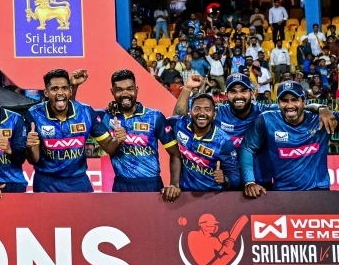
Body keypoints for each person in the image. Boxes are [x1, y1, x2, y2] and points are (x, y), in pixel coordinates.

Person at [176, 72, 335, 190]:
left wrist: (322, 108)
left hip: (259, 183)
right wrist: (188, 88)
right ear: (227, 95)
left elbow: (294, 107)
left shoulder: (265, 113)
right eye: (233, 91)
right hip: (225, 181)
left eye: (243, 91)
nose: (239, 96)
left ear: (251, 93)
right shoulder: (218, 114)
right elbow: (180, 118)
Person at [241, 81, 338, 195]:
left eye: (295, 99)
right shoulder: (266, 120)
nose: (290, 105)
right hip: (282, 193)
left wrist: (323, 108)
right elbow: (247, 148)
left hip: (318, 192)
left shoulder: (321, 119)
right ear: (278, 103)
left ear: (304, 101)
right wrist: (249, 182)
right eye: (284, 100)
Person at [26, 69, 114, 192]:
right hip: (46, 181)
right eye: (54, 89)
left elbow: (109, 147)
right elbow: (33, 159)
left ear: (70, 90)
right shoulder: (35, 114)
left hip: (78, 180)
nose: (60, 92)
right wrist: (30, 147)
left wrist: (119, 139)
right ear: (46, 92)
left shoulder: (86, 112)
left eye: (64, 88)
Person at [102, 69, 182, 197]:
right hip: (121, 185)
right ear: (112, 92)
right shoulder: (106, 116)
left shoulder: (155, 117)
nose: (125, 93)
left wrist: (174, 184)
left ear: (137, 89)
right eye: (119, 90)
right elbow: (74, 115)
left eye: (130, 88)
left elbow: (175, 153)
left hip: (151, 184)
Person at [167, 93, 240, 193]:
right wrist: (187, 87)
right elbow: (176, 114)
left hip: (212, 196)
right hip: (184, 195)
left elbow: (235, 176)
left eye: (207, 109)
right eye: (197, 109)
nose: (202, 113)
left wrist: (225, 179)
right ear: (190, 112)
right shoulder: (180, 124)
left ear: (214, 115)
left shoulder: (223, 141)